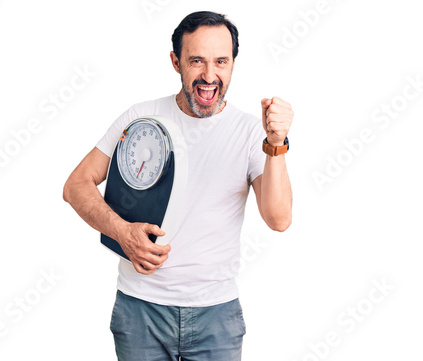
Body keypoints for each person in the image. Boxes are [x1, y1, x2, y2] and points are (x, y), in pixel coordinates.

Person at [63, 10, 293, 361]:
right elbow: (76, 185)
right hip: (140, 309)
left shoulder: (250, 132)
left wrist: (275, 142)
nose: (209, 75)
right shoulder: (140, 118)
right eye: (196, 61)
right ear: (176, 61)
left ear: (233, 63)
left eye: (221, 61)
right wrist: (121, 230)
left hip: (217, 313)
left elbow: (278, 219)